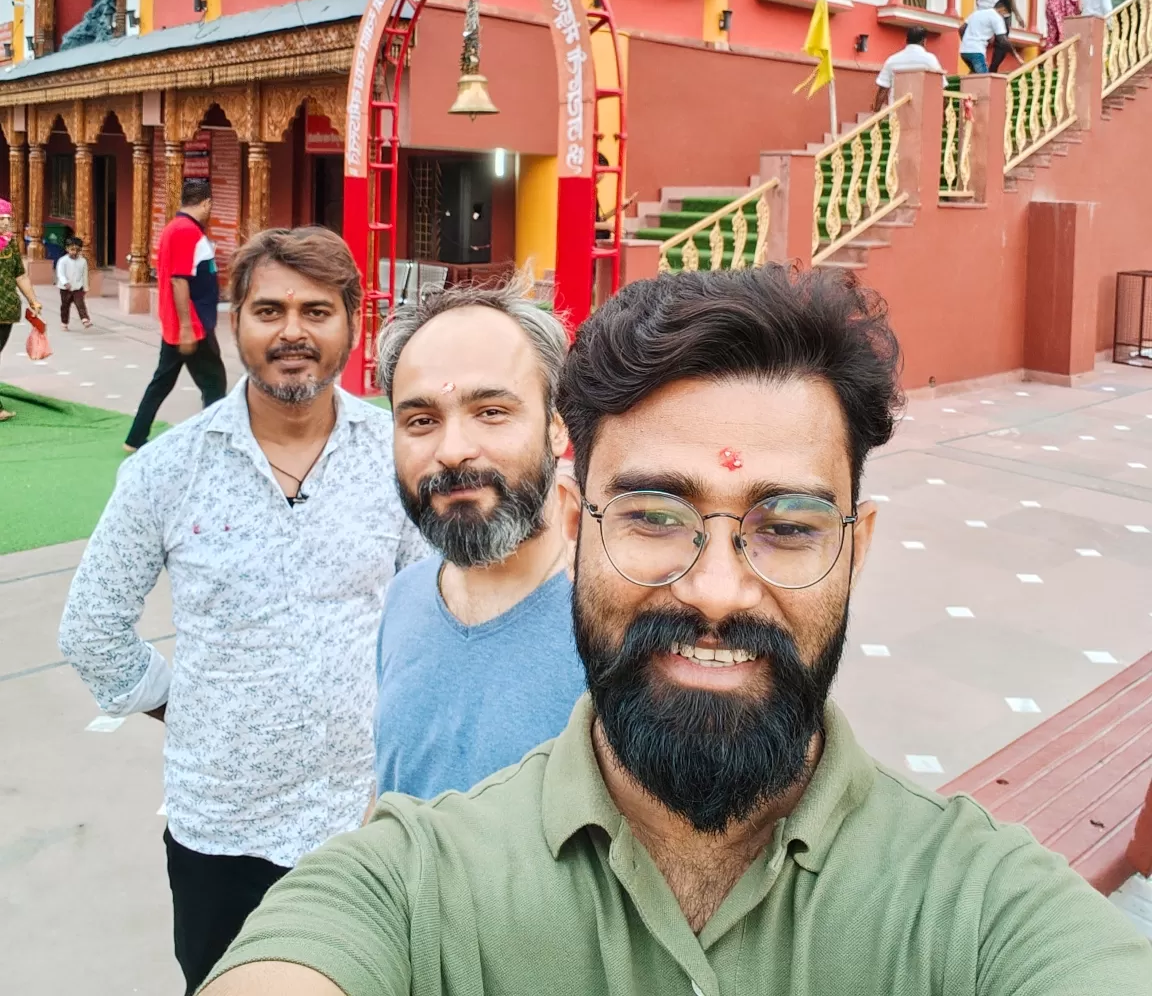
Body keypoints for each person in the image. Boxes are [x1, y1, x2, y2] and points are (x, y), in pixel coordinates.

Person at [202, 267, 1152, 996]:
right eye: (654, 515)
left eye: (787, 528)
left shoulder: (975, 906)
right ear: (574, 523)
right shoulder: (421, 880)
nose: (717, 591)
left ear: (858, 549)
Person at [59, 226, 427, 996]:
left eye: (317, 310)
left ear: (352, 322)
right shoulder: (169, 469)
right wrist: (180, 702)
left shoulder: (396, 459)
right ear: (236, 322)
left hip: (362, 822)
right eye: (270, 310)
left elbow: (427, 613)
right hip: (218, 826)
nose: (293, 331)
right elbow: (91, 627)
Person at [373, 278, 585, 801]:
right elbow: (392, 797)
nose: (453, 450)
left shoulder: (619, 626)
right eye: (421, 420)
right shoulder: (406, 598)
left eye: (491, 412)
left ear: (557, 428)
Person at [124, 179, 227, 451]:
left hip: (186, 323)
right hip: (192, 324)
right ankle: (214, 442)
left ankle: (135, 437)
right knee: (214, 383)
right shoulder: (185, 231)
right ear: (206, 203)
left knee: (163, 381)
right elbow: (179, 280)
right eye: (210, 205)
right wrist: (185, 327)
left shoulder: (177, 228)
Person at [0, 196, 44, 423]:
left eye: (8, 218)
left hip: (6, 311)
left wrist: (32, 300)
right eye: (2, 218)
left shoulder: (9, 245)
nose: (6, 222)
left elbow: (20, 274)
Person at [872, 25, 945, 110]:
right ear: (924, 41)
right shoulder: (930, 60)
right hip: (922, 113)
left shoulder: (892, 60)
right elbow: (941, 87)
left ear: (906, 40)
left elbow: (883, 90)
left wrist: (876, 115)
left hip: (896, 113)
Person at [959, 0, 1014, 74]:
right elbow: (1003, 40)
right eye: (1005, 14)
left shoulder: (977, 13)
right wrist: (1015, 54)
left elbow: (961, 29)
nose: (1003, 17)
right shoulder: (996, 17)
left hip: (964, 52)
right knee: (984, 79)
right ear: (1002, 8)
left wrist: (966, 42)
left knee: (974, 74)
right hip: (977, 51)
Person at [57, 235, 92, 330]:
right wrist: (65, 282)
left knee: (80, 303)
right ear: (67, 249)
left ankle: (85, 319)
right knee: (65, 306)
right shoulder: (63, 261)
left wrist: (85, 287)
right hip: (65, 289)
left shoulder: (83, 261)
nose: (75, 252)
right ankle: (64, 323)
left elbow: (84, 275)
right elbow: (60, 273)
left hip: (78, 287)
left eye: (77, 250)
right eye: (72, 249)